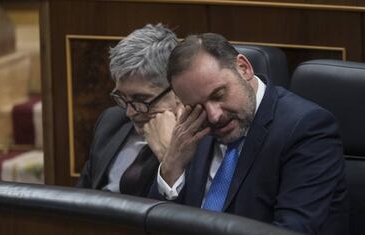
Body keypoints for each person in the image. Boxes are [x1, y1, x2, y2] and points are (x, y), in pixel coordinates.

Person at [148, 33, 349, 234]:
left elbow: (292, 229)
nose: (214, 115)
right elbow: (154, 223)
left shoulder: (306, 128)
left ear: (244, 68)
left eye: (219, 95)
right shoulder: (194, 128)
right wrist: (171, 166)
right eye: (197, 106)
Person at [77, 24, 181, 197]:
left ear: (178, 90)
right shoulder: (111, 122)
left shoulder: (198, 141)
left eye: (141, 100)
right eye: (123, 98)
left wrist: (168, 157)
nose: (129, 113)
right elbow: (81, 196)